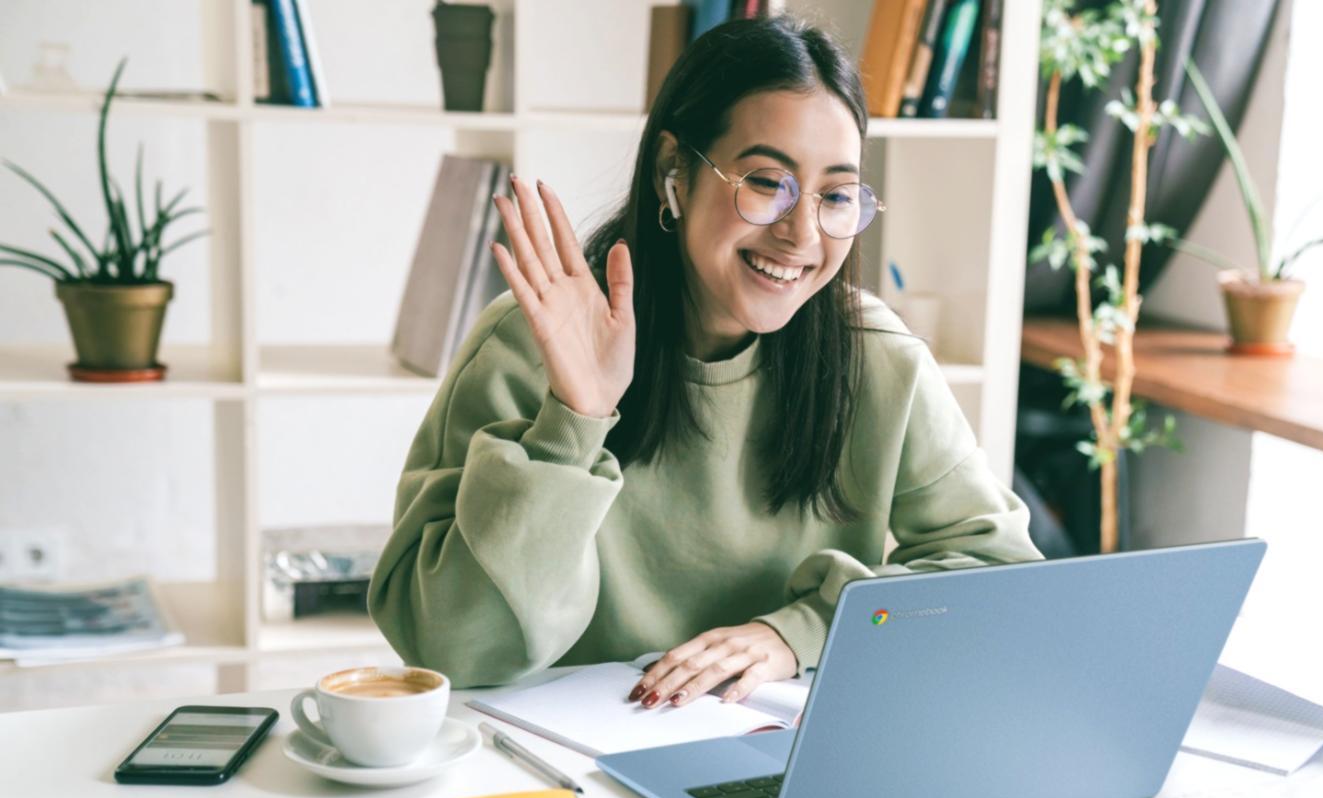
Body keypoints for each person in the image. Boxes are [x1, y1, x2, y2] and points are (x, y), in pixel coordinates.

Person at [368, 16, 1042, 709]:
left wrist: (804, 630)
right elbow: (450, 648)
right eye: (764, 181)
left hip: (782, 745)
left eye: (835, 195)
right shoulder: (531, 341)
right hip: (565, 759)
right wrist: (575, 419)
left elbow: (999, 577)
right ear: (675, 173)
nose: (801, 233)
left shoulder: (873, 356)